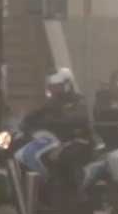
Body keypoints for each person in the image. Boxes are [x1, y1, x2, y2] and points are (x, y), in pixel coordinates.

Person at [23, 68, 93, 196]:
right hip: (59, 141)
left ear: (67, 84)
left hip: (80, 140)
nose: (54, 89)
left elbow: (79, 117)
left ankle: (81, 192)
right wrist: (25, 121)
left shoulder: (78, 100)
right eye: (53, 87)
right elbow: (38, 113)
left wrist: (57, 121)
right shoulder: (53, 102)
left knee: (66, 157)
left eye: (58, 86)